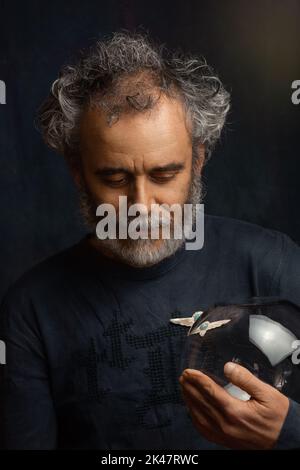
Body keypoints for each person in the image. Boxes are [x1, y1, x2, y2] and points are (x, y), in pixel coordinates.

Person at [0, 31, 299, 450]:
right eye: (114, 178)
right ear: (77, 169)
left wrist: (290, 431)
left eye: (163, 175)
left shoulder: (273, 263)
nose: (141, 205)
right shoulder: (29, 310)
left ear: (198, 160)